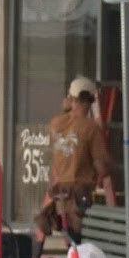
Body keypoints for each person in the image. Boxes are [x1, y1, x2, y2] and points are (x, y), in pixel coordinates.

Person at [34, 76, 117, 247]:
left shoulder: (55, 124)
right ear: (91, 101)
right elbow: (101, 167)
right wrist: (112, 165)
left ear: (71, 98)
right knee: (81, 246)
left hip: (58, 195)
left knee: (70, 244)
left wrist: (67, 106)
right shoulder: (91, 128)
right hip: (80, 195)